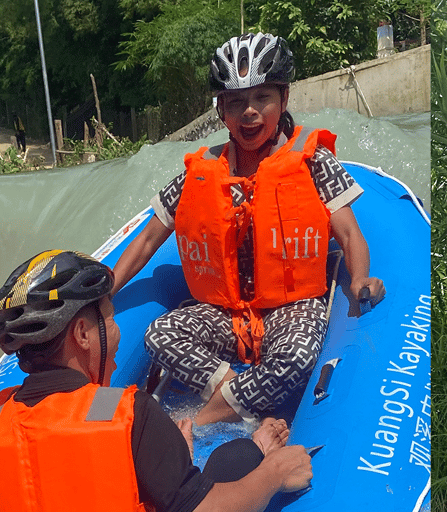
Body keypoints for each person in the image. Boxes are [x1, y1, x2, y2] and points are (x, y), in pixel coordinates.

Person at [110, 33, 386, 427]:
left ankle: (207, 416)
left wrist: (360, 279)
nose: (249, 112)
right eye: (236, 102)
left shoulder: (312, 163)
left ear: (284, 100)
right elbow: (148, 238)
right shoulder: (200, 175)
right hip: (226, 313)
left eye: (262, 99)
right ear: (222, 110)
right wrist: (108, 288)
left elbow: (348, 233)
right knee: (160, 334)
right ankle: (236, 393)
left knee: (297, 358)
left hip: (292, 308)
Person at [0, 249, 313, 512]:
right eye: (110, 320)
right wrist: (274, 473)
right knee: (240, 456)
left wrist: (163, 456)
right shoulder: (128, 415)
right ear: (82, 333)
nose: (115, 333)